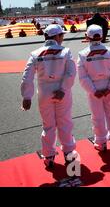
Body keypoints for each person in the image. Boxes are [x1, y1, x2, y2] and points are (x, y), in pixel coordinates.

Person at [20, 24, 77, 168]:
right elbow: (71, 73)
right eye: (61, 35)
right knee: (65, 123)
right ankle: (69, 155)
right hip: (62, 92)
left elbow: (27, 76)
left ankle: (49, 156)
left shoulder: (35, 53)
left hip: (44, 93)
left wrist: (27, 97)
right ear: (56, 37)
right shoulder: (66, 51)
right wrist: (63, 89)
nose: (62, 38)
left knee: (48, 125)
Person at [78, 25, 110, 150]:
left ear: (87, 36)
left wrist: (93, 91)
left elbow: (83, 77)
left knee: (97, 116)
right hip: (109, 86)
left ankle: (101, 142)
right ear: (102, 36)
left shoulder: (82, 54)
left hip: (94, 88)